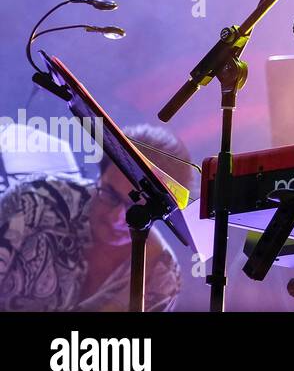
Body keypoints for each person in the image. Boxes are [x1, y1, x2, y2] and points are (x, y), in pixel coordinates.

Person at [0, 122, 193, 311]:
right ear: (100, 176)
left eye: (136, 208)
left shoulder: (160, 277)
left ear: (164, 211)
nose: (115, 218)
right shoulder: (33, 202)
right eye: (110, 194)